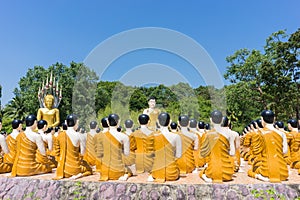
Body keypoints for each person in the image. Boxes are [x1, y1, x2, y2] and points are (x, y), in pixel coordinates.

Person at [247, 110, 288, 182]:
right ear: (274, 119)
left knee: (250, 171)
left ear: (262, 119)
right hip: (282, 172)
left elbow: (256, 152)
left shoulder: (258, 133)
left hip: (265, 171)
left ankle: (259, 177)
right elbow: (285, 151)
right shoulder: (282, 134)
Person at [199, 110, 235, 183]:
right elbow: (232, 153)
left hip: (212, 172)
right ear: (222, 120)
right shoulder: (229, 134)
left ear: (211, 120)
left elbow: (202, 154)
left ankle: (207, 179)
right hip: (228, 172)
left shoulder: (208, 134)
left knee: (201, 173)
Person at [53, 114, 92, 180]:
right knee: (89, 169)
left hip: (63, 170)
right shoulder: (80, 136)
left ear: (66, 122)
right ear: (77, 122)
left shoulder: (60, 135)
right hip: (75, 169)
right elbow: (82, 153)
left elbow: (57, 153)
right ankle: (80, 175)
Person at [148, 112, 182, 183]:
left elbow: (149, 155)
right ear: (170, 121)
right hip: (172, 173)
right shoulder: (176, 136)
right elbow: (178, 155)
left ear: (158, 122)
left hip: (157, 172)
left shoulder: (153, 136)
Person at [97, 114, 130, 181]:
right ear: (119, 122)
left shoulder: (100, 136)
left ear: (108, 123)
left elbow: (99, 154)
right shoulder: (124, 137)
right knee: (129, 171)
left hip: (105, 171)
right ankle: (125, 176)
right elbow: (126, 154)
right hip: (118, 170)